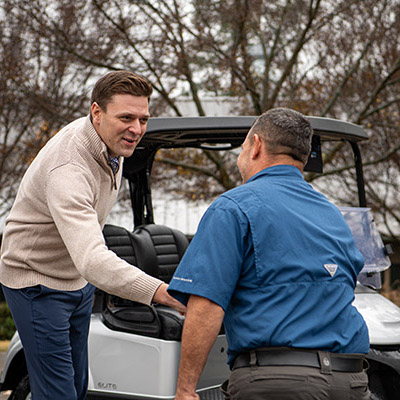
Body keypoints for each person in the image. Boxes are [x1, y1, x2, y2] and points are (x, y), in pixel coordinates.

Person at [0, 70, 186, 400]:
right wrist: (160, 291)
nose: (137, 129)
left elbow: (86, 255)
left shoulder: (113, 146)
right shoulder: (68, 168)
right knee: (58, 393)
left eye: (143, 118)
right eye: (126, 117)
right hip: (36, 282)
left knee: (77, 387)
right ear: (96, 112)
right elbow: (91, 258)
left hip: (77, 280)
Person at [168, 108, 370, 400]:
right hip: (349, 380)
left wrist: (185, 390)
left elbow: (206, 305)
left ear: (257, 145)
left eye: (242, 147)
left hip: (277, 384)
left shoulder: (232, 208)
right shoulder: (332, 213)